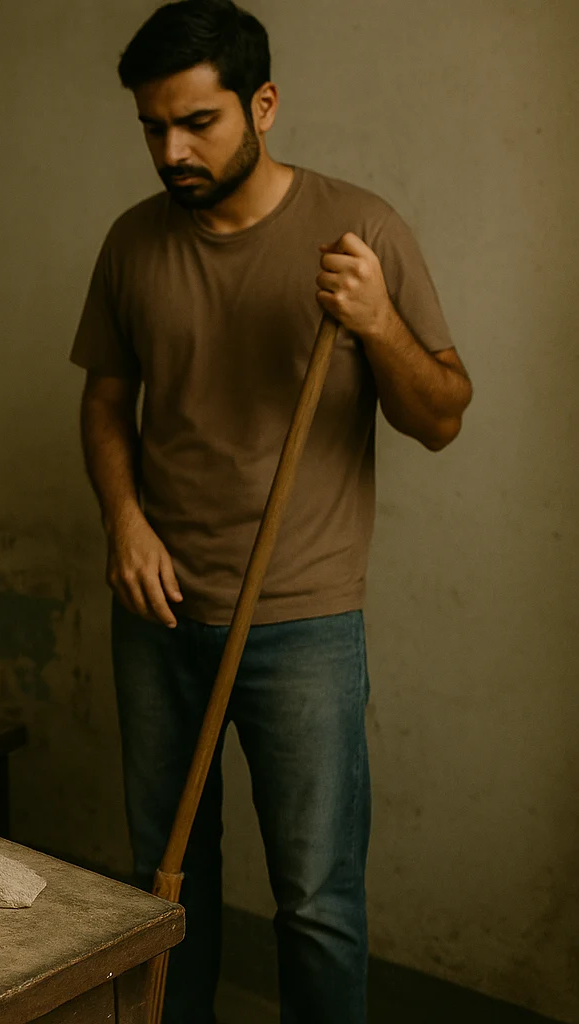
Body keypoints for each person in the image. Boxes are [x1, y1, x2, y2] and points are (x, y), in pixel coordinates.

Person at [71, 2, 473, 1022]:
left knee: (316, 901)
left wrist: (379, 322)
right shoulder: (132, 242)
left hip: (302, 617)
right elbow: (108, 397)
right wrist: (123, 520)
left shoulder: (360, 229)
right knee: (164, 886)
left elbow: (442, 416)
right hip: (156, 610)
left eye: (197, 122)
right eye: (153, 127)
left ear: (264, 104)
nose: (172, 150)